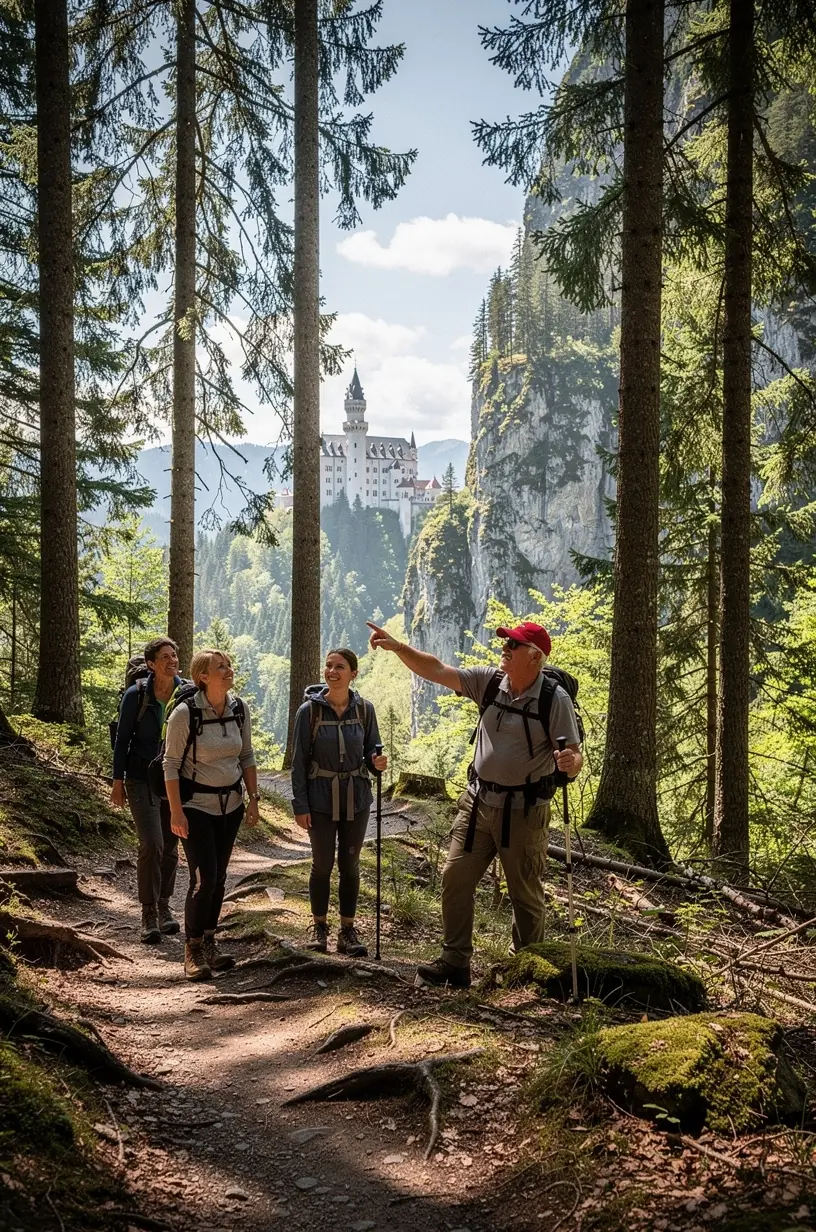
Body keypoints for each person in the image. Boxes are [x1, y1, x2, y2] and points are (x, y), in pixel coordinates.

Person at [366, 619, 582, 988]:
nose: (505, 650)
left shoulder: (553, 699)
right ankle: (455, 963)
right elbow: (437, 670)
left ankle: (526, 968)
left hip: (524, 811)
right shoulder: (490, 682)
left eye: (512, 646)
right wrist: (399, 647)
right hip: (478, 802)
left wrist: (570, 763)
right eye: (506, 644)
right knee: (455, 877)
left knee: (524, 893)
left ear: (534, 657)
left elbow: (573, 756)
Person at [163, 649, 259, 981]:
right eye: (221, 667)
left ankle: (209, 942)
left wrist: (255, 798)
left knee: (218, 879)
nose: (229, 670)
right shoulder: (185, 714)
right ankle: (191, 950)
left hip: (230, 807)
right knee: (203, 879)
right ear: (203, 676)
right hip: (196, 809)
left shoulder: (239, 709)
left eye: (229, 664)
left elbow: (246, 755)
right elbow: (170, 765)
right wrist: (176, 811)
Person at [291, 648, 387, 958]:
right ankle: (320, 929)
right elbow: (298, 762)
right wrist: (300, 805)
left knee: (350, 865)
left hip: (356, 799)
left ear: (353, 673)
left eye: (340, 667)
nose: (332, 671)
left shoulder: (365, 710)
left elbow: (372, 751)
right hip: (319, 798)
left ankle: (347, 931)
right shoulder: (309, 712)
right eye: (329, 666)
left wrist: (377, 762)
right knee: (322, 865)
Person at [111, 638, 184, 944]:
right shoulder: (136, 695)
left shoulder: (186, 693)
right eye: (165, 657)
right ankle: (148, 913)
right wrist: (117, 782)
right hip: (140, 777)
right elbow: (122, 740)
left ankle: (165, 907)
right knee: (151, 843)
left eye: (175, 655)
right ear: (152, 664)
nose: (172, 660)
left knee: (170, 846)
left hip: (174, 781)